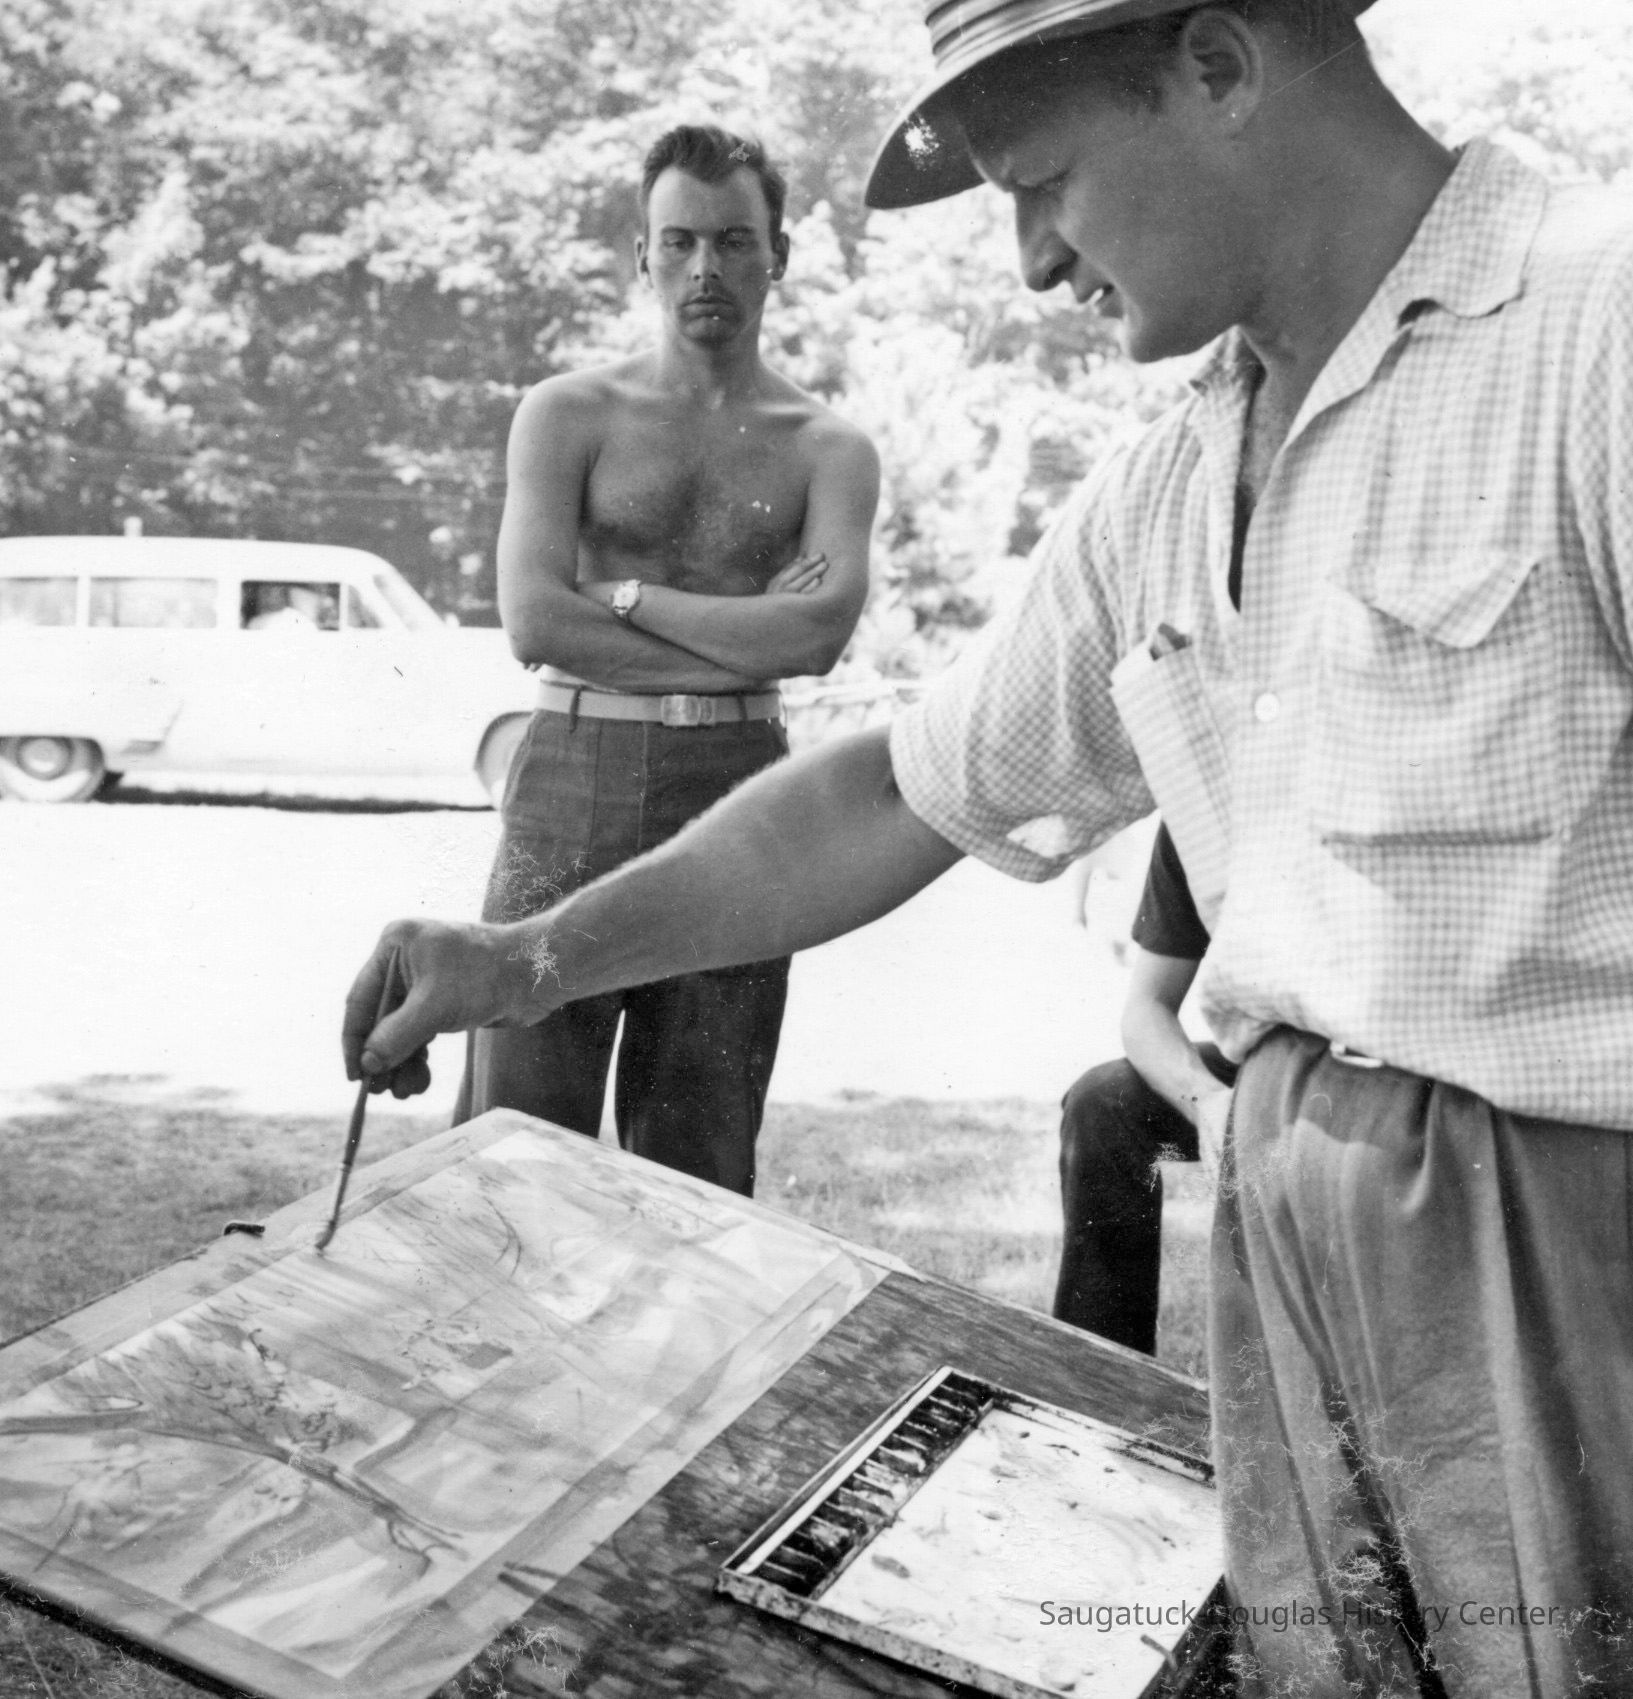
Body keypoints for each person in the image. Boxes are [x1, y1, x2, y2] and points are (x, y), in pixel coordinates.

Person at [347, 3, 1633, 1690]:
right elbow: (898, 790)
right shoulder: (1170, 484)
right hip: (1295, 1239)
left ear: (1218, 66)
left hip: (1571, 1264)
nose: (1031, 263)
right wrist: (528, 955)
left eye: (1040, 180)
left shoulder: (1594, 329)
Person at [452, 123, 879, 1196]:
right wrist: (742, 636)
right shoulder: (568, 414)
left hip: (735, 790)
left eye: (734, 241)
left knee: (701, 1158)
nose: (705, 269)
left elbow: (815, 639)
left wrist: (626, 597)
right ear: (642, 256)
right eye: (679, 241)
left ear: (778, 255)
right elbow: (535, 624)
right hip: (574, 775)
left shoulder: (825, 448)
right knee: (510, 1143)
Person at [1054, 823, 1233, 1355]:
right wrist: (1209, 1101)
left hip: (1408, 1066)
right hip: (1273, 1060)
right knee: (1103, 1103)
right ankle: (1102, 1374)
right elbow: (1147, 1008)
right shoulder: (1199, 813)